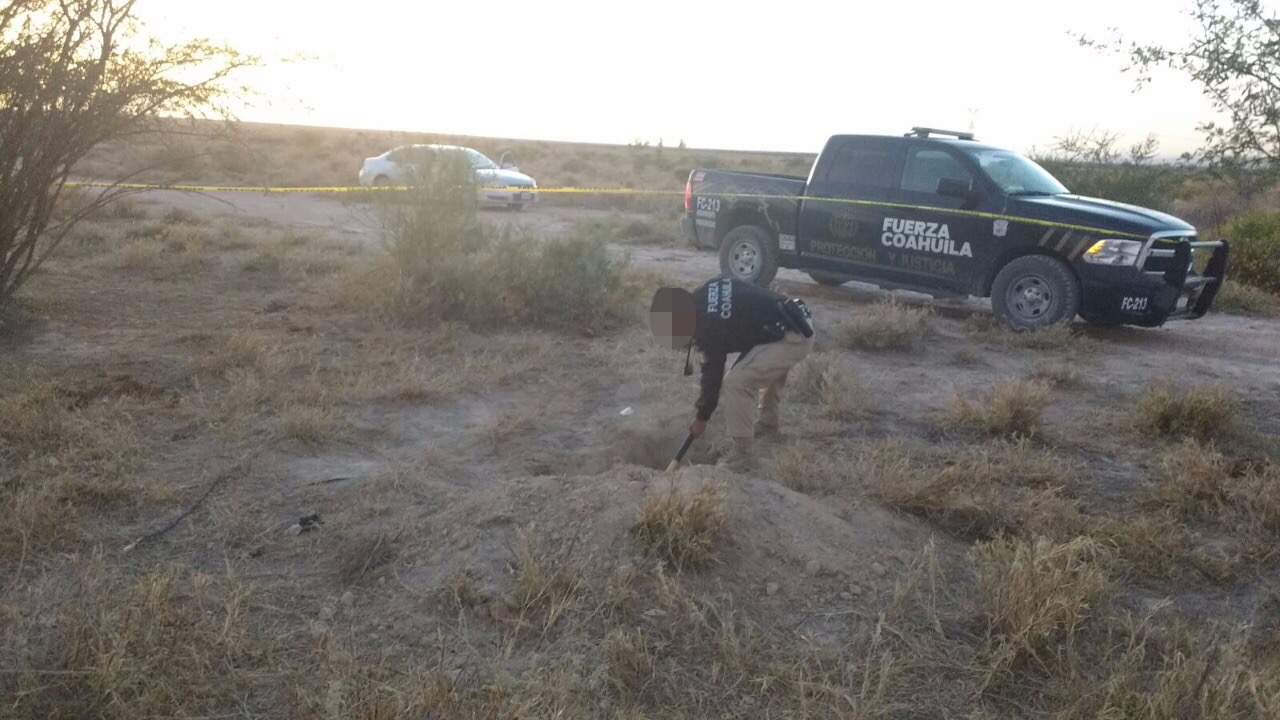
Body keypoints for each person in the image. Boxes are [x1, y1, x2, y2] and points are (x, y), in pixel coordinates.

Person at [650, 277, 815, 470]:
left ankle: (743, 455)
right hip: (788, 322)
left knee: (736, 382)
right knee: (759, 366)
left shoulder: (709, 325)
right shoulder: (706, 293)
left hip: (793, 335)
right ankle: (768, 423)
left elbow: (713, 375)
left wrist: (702, 418)